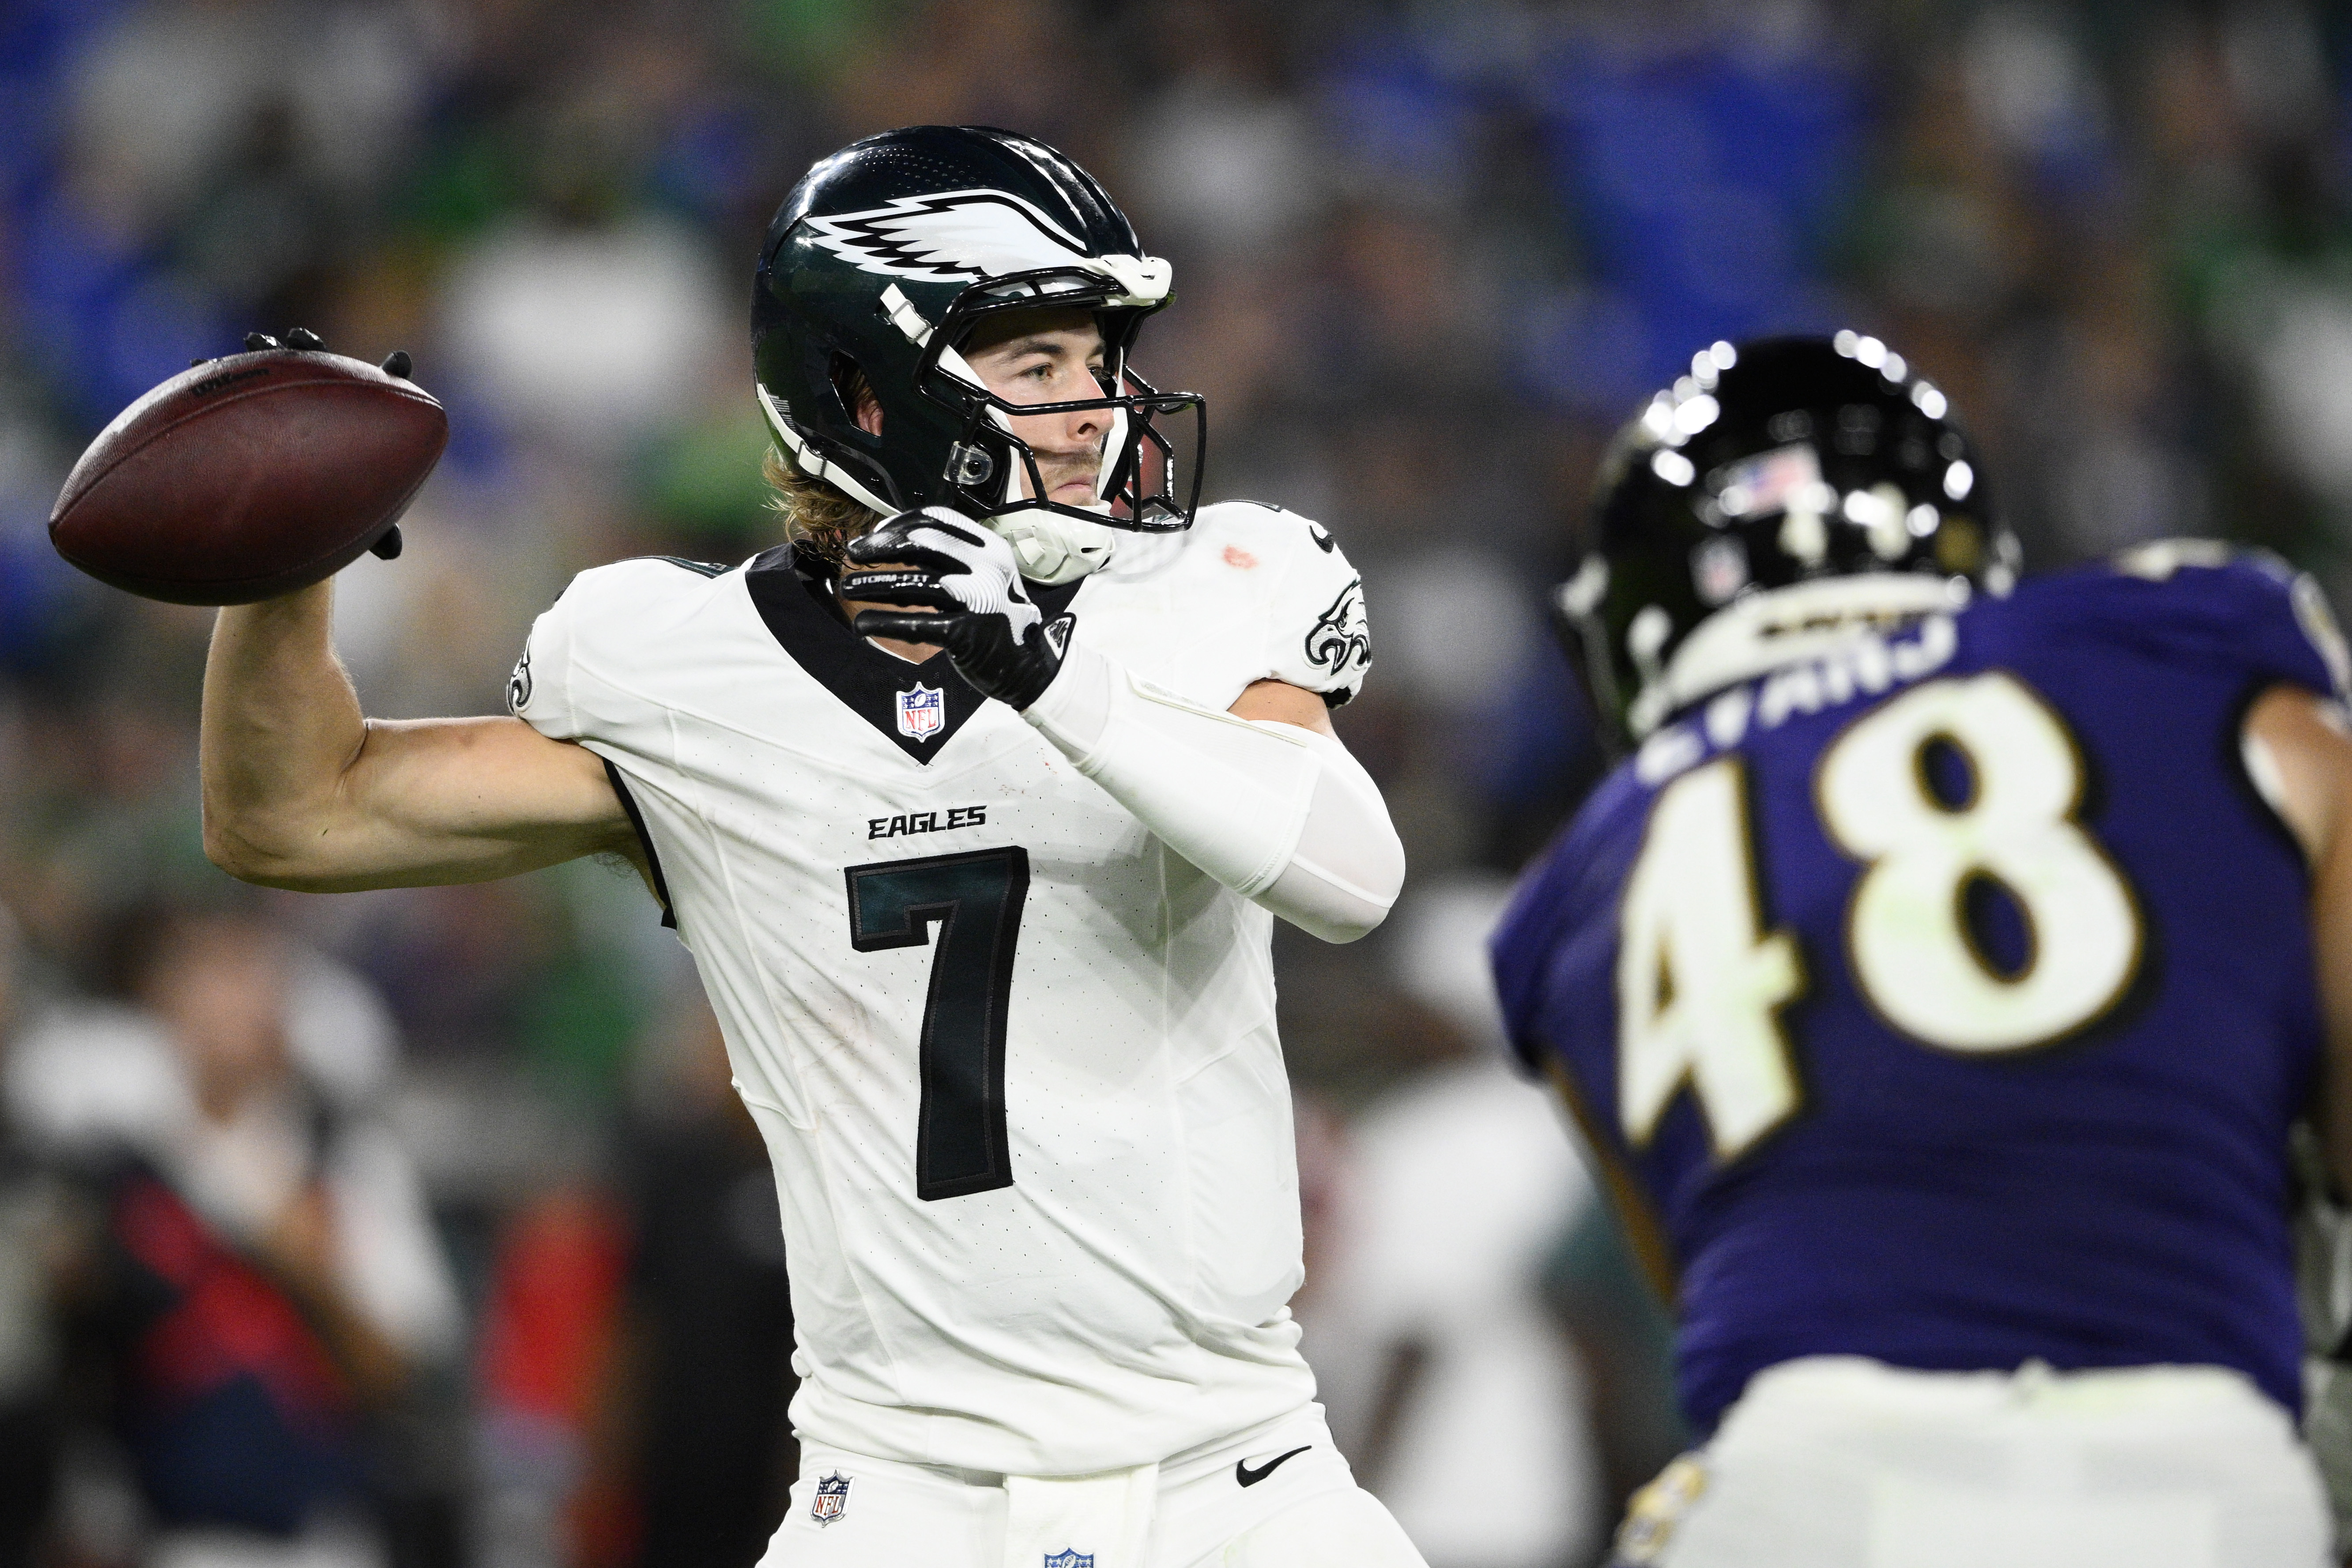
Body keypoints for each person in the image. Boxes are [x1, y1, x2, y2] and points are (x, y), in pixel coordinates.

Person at [200, 124, 1420, 1568]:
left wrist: (1037, 671)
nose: (1098, 409)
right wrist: (277, 566)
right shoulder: (676, 667)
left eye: (1100, 359)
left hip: (1234, 1468)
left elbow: (1349, 875)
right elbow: (290, 815)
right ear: (865, 392)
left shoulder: (1218, 582)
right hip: (902, 1492)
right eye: (1038, 367)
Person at [1489, 332, 2351, 1567]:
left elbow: (1722, 1303)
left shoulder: (1579, 886)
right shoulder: (2182, 650)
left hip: (1817, 1486)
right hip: (2206, 1472)